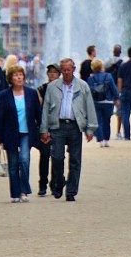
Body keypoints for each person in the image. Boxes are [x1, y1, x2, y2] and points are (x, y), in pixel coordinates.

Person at [41, 57, 97, 201]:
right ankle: (58, 182)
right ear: (61, 71)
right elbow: (46, 108)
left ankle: (71, 191)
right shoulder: (52, 87)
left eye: (69, 69)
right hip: (57, 125)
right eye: (64, 70)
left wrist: (90, 129)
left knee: (75, 160)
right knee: (57, 157)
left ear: (74, 69)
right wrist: (44, 129)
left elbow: (89, 107)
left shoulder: (82, 86)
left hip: (75, 126)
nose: (66, 72)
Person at [0, 64, 42, 203]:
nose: (19, 77)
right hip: (10, 132)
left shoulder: (31, 93)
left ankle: (24, 190)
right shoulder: (4, 96)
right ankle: (15, 193)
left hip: (27, 132)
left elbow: (38, 114)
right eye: (16, 75)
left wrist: (42, 131)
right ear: (11, 78)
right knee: (13, 164)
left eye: (21, 74)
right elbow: (0, 117)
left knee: (24, 160)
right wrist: (0, 138)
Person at [35, 63, 61, 194]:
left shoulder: (63, 89)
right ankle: (43, 184)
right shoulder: (41, 89)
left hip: (58, 126)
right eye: (50, 72)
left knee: (57, 156)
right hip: (45, 125)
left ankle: (55, 183)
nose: (52, 74)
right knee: (45, 155)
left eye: (54, 72)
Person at [87, 58, 119, 146]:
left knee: (98, 121)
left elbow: (89, 92)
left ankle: (100, 140)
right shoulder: (108, 76)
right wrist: (116, 98)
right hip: (108, 102)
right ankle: (106, 140)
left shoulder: (90, 78)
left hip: (96, 102)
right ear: (101, 66)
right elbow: (113, 88)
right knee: (107, 121)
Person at [105, 44, 124, 139]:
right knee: (119, 112)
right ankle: (118, 132)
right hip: (118, 87)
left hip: (108, 88)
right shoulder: (122, 63)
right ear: (120, 52)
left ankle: (105, 131)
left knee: (107, 110)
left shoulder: (107, 62)